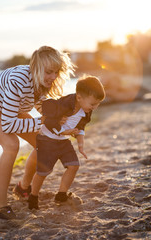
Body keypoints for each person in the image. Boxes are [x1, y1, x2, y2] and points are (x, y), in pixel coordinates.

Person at [0, 46, 75, 219]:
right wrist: (41, 121)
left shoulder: (42, 82)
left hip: (9, 108)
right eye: (49, 72)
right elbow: (8, 126)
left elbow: (45, 111)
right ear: (36, 68)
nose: (53, 77)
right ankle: (1, 207)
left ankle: (22, 188)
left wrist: (64, 123)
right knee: (11, 145)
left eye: (56, 72)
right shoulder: (18, 81)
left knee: (44, 143)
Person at [27, 75, 105, 210]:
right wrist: (64, 131)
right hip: (47, 140)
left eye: (98, 104)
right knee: (43, 172)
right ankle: (33, 196)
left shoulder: (86, 110)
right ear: (79, 97)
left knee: (74, 166)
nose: (95, 107)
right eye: (93, 104)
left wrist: (80, 145)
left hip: (63, 141)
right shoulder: (63, 104)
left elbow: (80, 127)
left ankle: (61, 195)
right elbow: (49, 121)